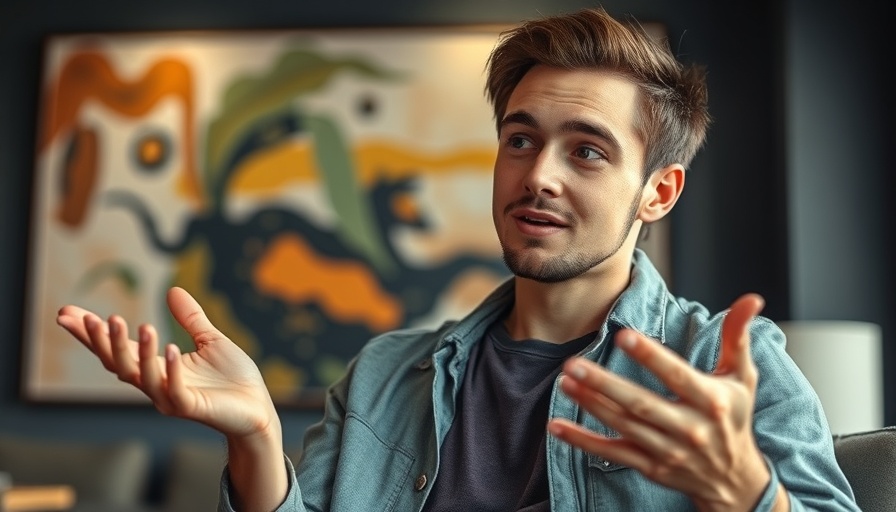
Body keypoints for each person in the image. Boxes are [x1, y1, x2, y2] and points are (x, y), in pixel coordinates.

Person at [56, 6, 859, 512]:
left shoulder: (728, 366)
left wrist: (751, 499)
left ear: (659, 191)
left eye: (587, 152)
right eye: (520, 139)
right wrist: (258, 437)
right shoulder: (382, 374)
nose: (538, 174)